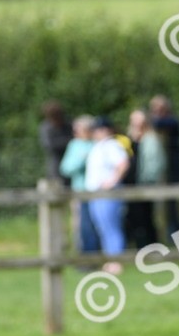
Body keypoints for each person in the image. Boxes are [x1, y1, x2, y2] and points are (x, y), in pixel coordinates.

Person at [84, 117, 131, 274]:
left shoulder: (111, 145)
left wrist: (112, 181)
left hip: (108, 194)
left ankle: (116, 262)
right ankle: (110, 260)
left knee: (112, 228)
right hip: (96, 194)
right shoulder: (99, 146)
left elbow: (123, 164)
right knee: (103, 228)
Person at [124, 109, 167, 249]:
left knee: (148, 217)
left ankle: (152, 247)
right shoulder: (129, 140)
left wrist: (148, 181)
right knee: (136, 218)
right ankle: (141, 246)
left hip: (146, 184)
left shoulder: (151, 139)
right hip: (132, 185)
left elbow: (156, 164)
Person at [59, 114, 101, 257]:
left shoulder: (98, 143)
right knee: (81, 226)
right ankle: (83, 255)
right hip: (80, 191)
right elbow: (66, 168)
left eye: (79, 129)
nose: (76, 132)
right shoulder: (74, 145)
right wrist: (83, 161)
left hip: (99, 192)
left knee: (98, 224)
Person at [149, 95, 179, 240]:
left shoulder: (172, 122)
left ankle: (176, 237)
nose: (157, 112)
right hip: (157, 172)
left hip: (171, 172)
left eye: (160, 109)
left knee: (172, 207)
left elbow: (158, 124)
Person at [39, 100, 72, 183]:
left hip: (70, 161)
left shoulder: (68, 124)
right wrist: (68, 142)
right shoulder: (46, 127)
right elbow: (49, 145)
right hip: (55, 164)